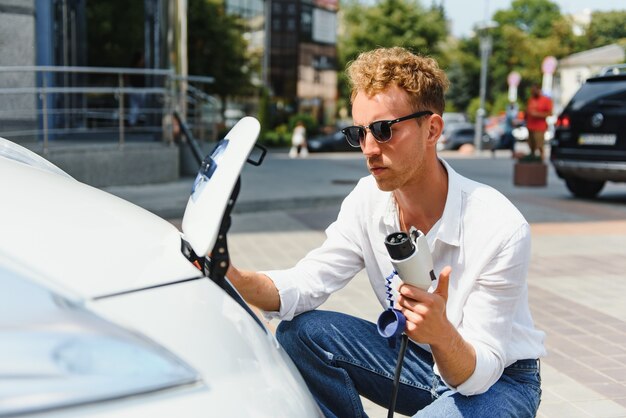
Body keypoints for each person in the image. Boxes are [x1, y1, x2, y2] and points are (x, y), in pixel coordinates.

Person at [226, 47, 545, 417]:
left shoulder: (499, 226)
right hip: (419, 363)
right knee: (301, 333)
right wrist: (230, 275)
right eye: (358, 132)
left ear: (433, 129)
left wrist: (440, 333)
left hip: (498, 380)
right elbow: (306, 282)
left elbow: (479, 373)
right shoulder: (367, 200)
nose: (369, 148)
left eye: (383, 130)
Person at [525, 84, 553, 161]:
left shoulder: (546, 100)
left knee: (540, 145)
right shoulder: (531, 99)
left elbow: (550, 113)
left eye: (534, 91)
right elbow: (527, 111)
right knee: (531, 145)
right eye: (532, 91)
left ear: (538, 90)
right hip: (530, 126)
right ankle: (532, 159)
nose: (533, 93)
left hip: (540, 127)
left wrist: (537, 114)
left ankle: (542, 160)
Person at [127, 51, 146, 126]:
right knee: (135, 107)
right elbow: (127, 78)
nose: (143, 60)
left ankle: (134, 122)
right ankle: (132, 123)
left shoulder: (143, 67)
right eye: (142, 58)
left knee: (136, 107)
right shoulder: (134, 67)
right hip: (135, 90)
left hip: (139, 90)